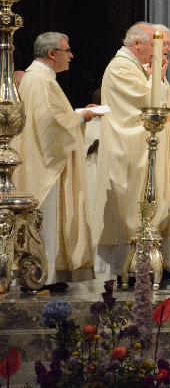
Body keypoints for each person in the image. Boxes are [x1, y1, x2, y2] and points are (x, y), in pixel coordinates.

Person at [94, 22, 170, 280]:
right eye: (155, 45)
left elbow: (162, 100)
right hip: (131, 149)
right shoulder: (121, 67)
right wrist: (154, 80)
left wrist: (156, 79)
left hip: (147, 145)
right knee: (136, 205)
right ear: (137, 45)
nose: (159, 51)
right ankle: (134, 264)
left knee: (155, 200)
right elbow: (147, 102)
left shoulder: (138, 68)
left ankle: (155, 260)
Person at [14, 32, 97, 285]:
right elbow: (50, 122)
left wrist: (75, 115)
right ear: (52, 54)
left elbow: (52, 116)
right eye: (67, 51)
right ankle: (42, 277)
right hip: (45, 165)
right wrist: (81, 118)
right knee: (46, 222)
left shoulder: (39, 78)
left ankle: (43, 275)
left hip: (42, 159)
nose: (71, 56)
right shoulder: (40, 80)